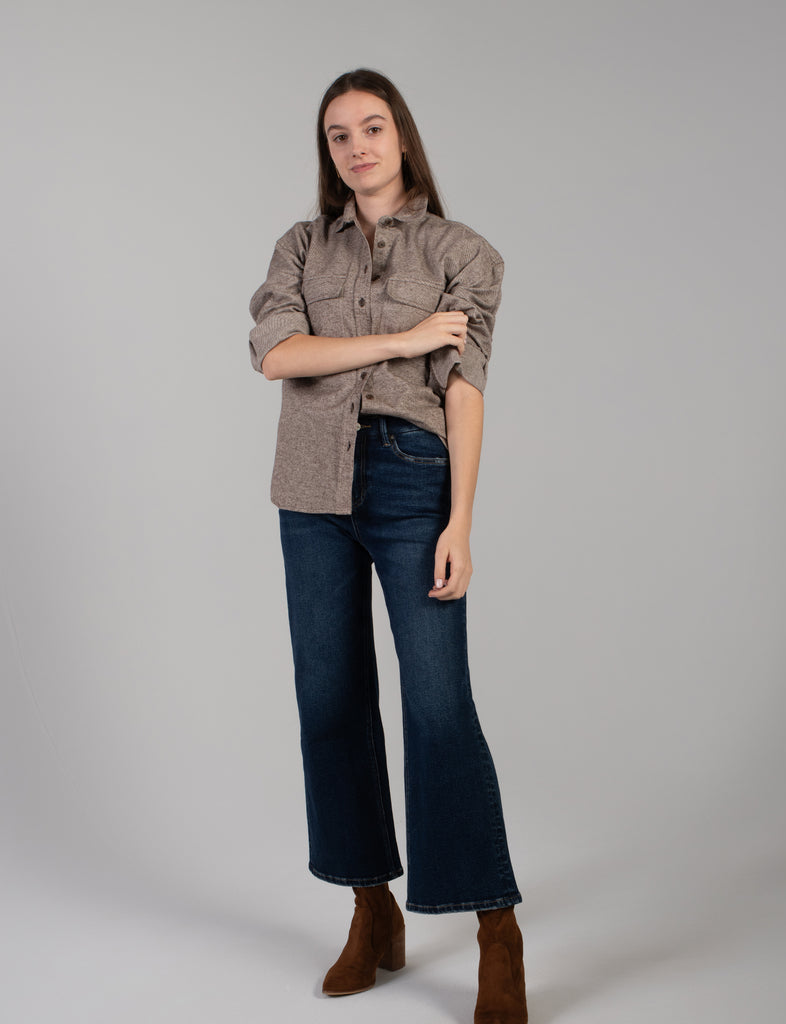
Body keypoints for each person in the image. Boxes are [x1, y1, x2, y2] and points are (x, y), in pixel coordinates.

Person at [248, 67, 527, 1024]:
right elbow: (276, 355)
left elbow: (464, 389)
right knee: (328, 700)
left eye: (372, 127)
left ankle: (495, 926)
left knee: (438, 705)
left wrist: (460, 520)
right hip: (310, 490)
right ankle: (372, 910)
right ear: (326, 153)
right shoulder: (299, 246)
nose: (356, 147)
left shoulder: (464, 251)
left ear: (401, 136)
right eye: (338, 135)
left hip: (414, 478)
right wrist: (400, 337)